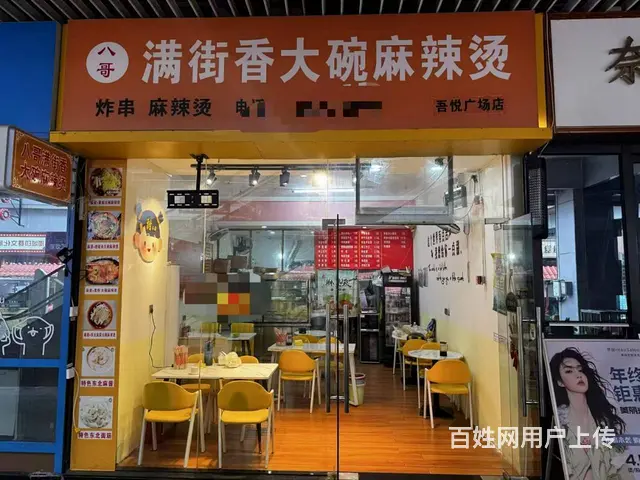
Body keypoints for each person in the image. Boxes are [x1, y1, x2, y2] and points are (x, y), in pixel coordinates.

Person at [550, 348, 632, 480]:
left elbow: (621, 469)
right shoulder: (559, 424)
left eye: (580, 370)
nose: (578, 375)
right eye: (569, 371)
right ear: (560, 382)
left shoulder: (604, 421)